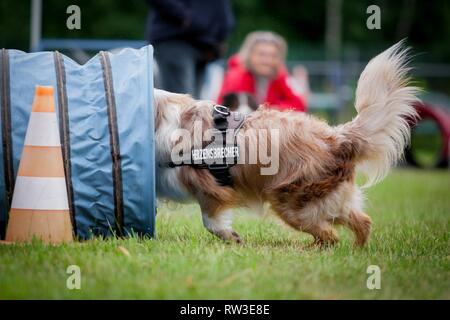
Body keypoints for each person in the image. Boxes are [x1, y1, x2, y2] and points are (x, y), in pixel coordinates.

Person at [146, 0, 235, 98]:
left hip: (205, 44)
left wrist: (221, 33)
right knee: (182, 104)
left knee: (194, 105)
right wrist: (183, 15)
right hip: (175, 38)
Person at [218, 31, 307, 112]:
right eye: (262, 54)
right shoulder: (237, 77)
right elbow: (234, 112)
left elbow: (300, 105)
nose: (267, 60)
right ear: (249, 55)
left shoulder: (279, 74)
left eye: (273, 55)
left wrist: (273, 109)